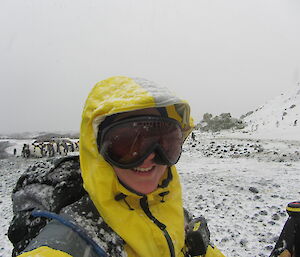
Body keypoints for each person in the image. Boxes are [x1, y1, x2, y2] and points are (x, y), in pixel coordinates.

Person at [10, 76, 226, 257]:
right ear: (96, 150)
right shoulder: (69, 241)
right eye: (128, 143)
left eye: (165, 142)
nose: (150, 157)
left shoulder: (174, 211)